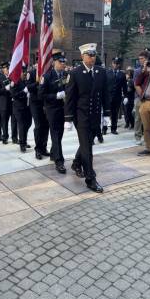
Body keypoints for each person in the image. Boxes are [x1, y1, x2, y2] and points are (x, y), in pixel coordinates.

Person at [64, 43, 110, 193]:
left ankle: (77, 163)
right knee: (87, 148)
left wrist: (107, 114)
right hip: (81, 116)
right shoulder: (76, 73)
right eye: (89, 55)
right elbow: (70, 97)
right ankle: (90, 179)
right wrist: (68, 118)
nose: (92, 57)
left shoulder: (100, 72)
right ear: (82, 56)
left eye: (94, 55)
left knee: (88, 142)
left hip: (95, 115)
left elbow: (105, 94)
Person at [39, 50, 67, 174]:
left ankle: (53, 153)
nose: (63, 64)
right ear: (54, 62)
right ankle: (59, 161)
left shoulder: (66, 75)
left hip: (63, 109)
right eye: (61, 62)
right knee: (55, 134)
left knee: (59, 134)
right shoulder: (47, 76)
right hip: (52, 109)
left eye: (64, 62)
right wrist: (55, 96)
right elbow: (41, 95)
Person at [27, 64, 50, 159]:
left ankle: (44, 148)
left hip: (45, 102)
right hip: (35, 103)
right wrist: (37, 82)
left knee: (46, 125)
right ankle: (38, 149)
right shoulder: (31, 73)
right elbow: (29, 87)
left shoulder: (48, 73)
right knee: (38, 126)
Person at [10, 68, 32, 153]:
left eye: (25, 72)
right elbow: (14, 95)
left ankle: (24, 140)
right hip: (18, 108)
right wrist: (24, 92)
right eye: (23, 72)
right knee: (22, 125)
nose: (25, 74)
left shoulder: (26, 81)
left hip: (27, 107)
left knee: (28, 124)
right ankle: (22, 144)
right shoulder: (15, 82)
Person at [103, 57, 127, 135]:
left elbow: (124, 86)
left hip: (117, 96)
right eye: (114, 63)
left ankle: (114, 128)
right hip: (108, 97)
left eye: (117, 63)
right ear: (112, 64)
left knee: (115, 113)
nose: (115, 65)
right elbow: (104, 85)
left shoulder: (122, 74)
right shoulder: (107, 73)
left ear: (119, 65)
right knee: (106, 113)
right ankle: (104, 128)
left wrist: (125, 96)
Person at [0, 62, 17, 145]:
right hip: (4, 103)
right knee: (4, 121)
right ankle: (5, 137)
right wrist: (5, 89)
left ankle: (14, 137)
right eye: (6, 68)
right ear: (3, 69)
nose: (8, 70)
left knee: (14, 121)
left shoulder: (14, 77)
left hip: (13, 103)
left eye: (9, 68)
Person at [134, 51, 149, 145]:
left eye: (142, 58)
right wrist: (141, 96)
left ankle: (147, 136)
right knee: (138, 118)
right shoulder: (137, 71)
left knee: (147, 119)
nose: (140, 60)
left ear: (147, 59)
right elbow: (136, 84)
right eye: (139, 59)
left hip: (149, 97)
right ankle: (137, 136)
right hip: (139, 97)